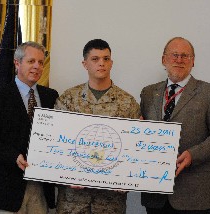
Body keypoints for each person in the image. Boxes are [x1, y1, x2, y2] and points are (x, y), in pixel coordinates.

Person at [140, 37, 210, 214]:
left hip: (194, 195)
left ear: (193, 61)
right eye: (174, 55)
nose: (179, 60)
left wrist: (193, 155)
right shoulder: (148, 92)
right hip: (155, 194)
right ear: (163, 59)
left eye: (185, 56)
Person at [54, 39, 141, 214]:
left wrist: (128, 178)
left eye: (106, 58)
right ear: (84, 64)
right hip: (73, 201)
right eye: (95, 59)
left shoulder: (128, 102)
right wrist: (64, 176)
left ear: (111, 63)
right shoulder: (68, 99)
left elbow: (135, 148)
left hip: (110, 202)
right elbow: (56, 143)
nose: (101, 63)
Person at [0, 41, 59, 213]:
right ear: (17, 63)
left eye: (41, 62)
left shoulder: (51, 97)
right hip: (5, 189)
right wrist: (13, 156)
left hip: (40, 189)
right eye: (31, 61)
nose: (37, 66)